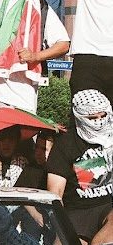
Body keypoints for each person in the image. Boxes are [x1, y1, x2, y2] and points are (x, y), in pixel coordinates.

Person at [47, 89, 113, 243]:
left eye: (103, 116)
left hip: (108, 206)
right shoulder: (66, 144)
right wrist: (61, 226)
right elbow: (55, 192)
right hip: (77, 210)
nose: (99, 121)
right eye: (92, 118)